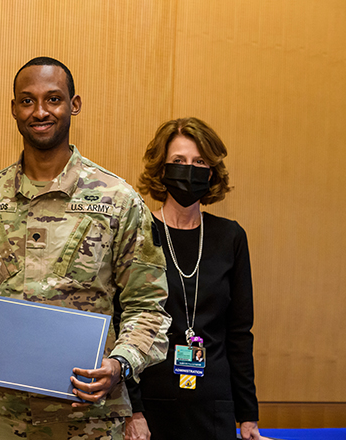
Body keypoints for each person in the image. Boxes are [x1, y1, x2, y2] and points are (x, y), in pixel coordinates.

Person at [0, 56, 171, 439]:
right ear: (14, 108)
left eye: (53, 99)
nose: (40, 111)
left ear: (74, 104)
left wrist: (120, 363)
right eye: (27, 100)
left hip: (88, 417)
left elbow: (147, 307)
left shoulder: (118, 200)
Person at [124, 117, 260, 440]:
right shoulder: (138, 233)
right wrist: (132, 410)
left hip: (213, 405)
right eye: (179, 161)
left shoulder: (230, 238)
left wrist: (248, 416)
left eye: (199, 162)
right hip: (148, 405)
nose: (190, 169)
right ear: (162, 169)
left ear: (211, 172)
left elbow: (239, 334)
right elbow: (119, 324)